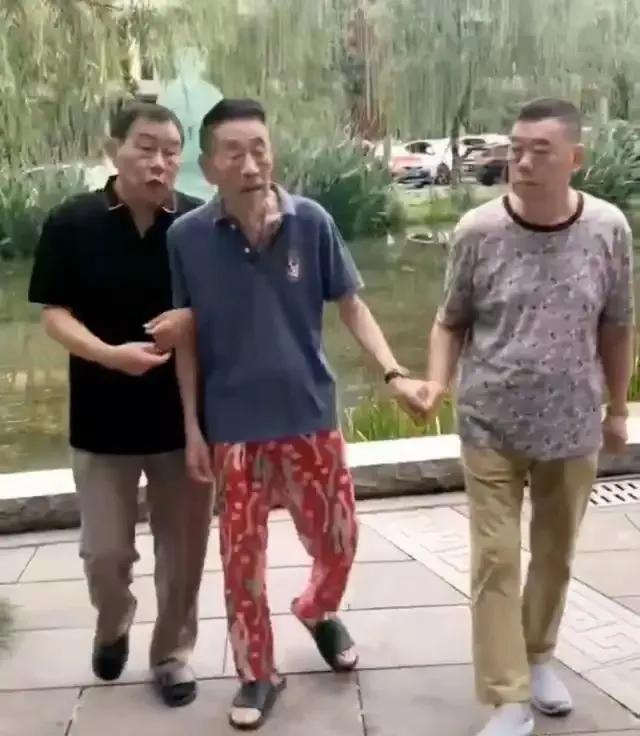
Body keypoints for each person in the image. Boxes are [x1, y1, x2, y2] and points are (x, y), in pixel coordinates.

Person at [160, 97, 428, 729]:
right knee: (241, 564)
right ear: (208, 165)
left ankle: (316, 608)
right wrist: (192, 428)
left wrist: (393, 373)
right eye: (233, 153)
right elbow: (185, 336)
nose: (250, 164)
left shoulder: (312, 221)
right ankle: (257, 673)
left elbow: (351, 304)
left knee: (339, 540)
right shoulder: (187, 237)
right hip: (234, 428)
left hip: (310, 414)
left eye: (259, 148)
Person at [420, 98, 635, 736]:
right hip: (490, 421)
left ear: (575, 158)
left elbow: (617, 324)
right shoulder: (477, 231)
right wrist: (436, 383)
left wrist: (617, 409)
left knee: (553, 554)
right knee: (494, 558)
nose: (523, 161)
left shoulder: (608, 229)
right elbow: (449, 321)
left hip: (572, 423)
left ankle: (538, 655)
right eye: (515, 149)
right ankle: (507, 695)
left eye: (541, 150)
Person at [28, 102, 214, 708]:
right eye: (146, 147)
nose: (159, 162)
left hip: (183, 420)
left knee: (183, 554)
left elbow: (229, 306)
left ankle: (172, 654)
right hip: (101, 418)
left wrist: (193, 319)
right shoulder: (72, 221)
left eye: (171, 151)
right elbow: (54, 314)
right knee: (104, 553)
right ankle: (113, 624)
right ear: (113, 151)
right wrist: (109, 355)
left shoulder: (199, 223)